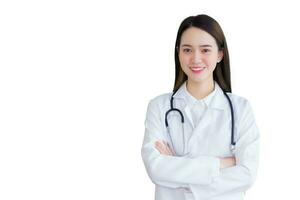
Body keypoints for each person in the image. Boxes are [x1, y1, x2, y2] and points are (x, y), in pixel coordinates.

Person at [141, 14, 260, 200]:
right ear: (178, 52)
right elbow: (155, 169)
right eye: (187, 50)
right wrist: (221, 164)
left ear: (220, 54)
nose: (196, 59)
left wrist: (175, 166)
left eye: (205, 50)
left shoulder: (240, 109)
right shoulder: (159, 107)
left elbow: (247, 174)